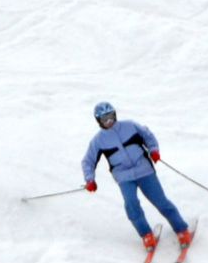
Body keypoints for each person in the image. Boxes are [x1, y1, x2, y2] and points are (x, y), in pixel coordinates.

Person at [81, 101, 192, 251]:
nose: (109, 121)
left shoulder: (130, 126)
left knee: (161, 201)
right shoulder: (98, 140)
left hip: (144, 170)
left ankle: (181, 229)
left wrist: (153, 150)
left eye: (110, 116)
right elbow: (88, 161)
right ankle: (146, 235)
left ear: (115, 115)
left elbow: (148, 135)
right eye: (104, 119)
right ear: (98, 121)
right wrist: (90, 179)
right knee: (131, 205)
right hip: (124, 177)